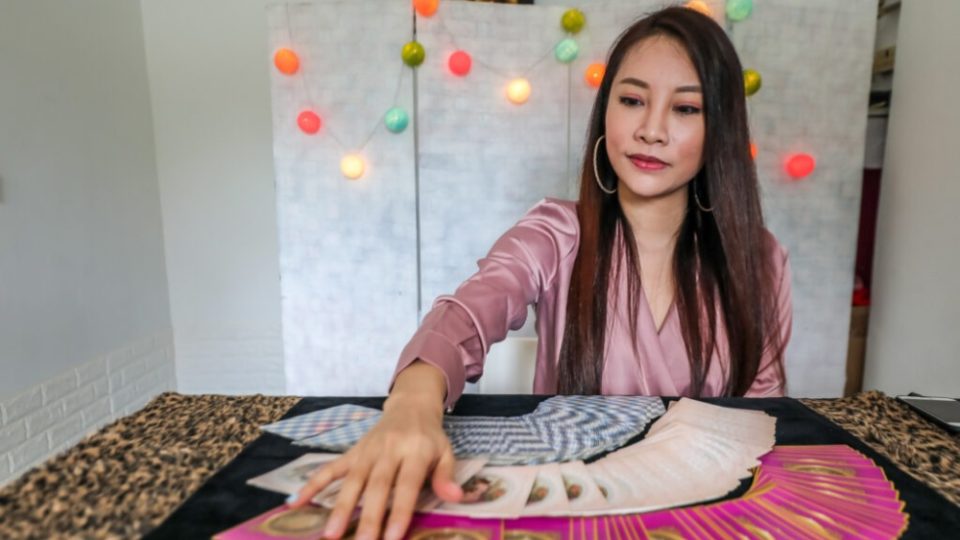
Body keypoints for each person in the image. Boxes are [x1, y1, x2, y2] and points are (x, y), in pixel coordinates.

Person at [289, 6, 792, 540]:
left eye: (686, 108)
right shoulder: (557, 232)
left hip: (708, 519)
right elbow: (473, 308)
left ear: (721, 130)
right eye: (632, 100)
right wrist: (412, 401)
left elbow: (766, 415)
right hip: (570, 516)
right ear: (606, 113)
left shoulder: (760, 258)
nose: (651, 130)